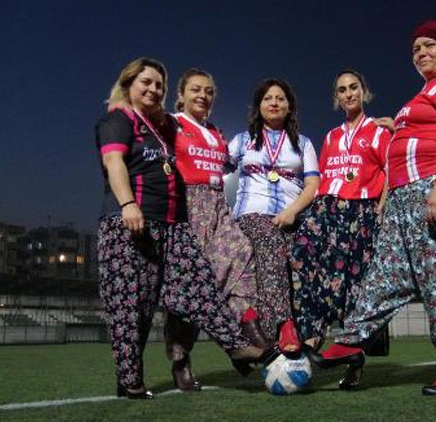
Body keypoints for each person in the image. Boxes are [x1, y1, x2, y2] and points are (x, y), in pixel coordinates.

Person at [309, 20, 436, 396]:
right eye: (415, 49)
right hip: (404, 198)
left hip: (434, 188)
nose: (420, 52)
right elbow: (423, 128)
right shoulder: (425, 92)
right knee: (384, 274)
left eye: (429, 45)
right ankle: (352, 339)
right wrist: (399, 127)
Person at [95, 58, 272, 399]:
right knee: (137, 306)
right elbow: (114, 161)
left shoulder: (171, 129)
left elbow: (241, 156)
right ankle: (143, 375)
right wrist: (128, 203)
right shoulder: (135, 121)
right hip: (146, 217)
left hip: (181, 219)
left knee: (205, 281)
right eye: (146, 82)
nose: (152, 89)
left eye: (157, 84)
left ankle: (239, 340)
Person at [162, 68, 267, 391]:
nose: (203, 95)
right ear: (181, 95)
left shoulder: (216, 133)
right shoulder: (170, 124)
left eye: (208, 91)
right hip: (185, 206)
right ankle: (180, 358)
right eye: (196, 89)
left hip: (217, 204)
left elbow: (244, 158)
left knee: (241, 254)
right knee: (189, 287)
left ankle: (246, 331)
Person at [289, 69, 390, 385]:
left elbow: (391, 171)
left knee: (352, 286)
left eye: (353, 87)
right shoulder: (331, 136)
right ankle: (311, 335)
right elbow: (323, 177)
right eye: (342, 89)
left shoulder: (379, 131)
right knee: (301, 257)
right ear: (337, 97)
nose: (348, 94)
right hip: (326, 209)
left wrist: (381, 209)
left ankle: (353, 358)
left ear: (364, 91)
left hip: (361, 212)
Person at [228, 79, 320, 354]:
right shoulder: (242, 141)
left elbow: (312, 185)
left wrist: (291, 211)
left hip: (294, 216)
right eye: (268, 98)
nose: (274, 103)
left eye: (280, 98)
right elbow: (215, 167)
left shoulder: (303, 143)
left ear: (289, 106)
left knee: (313, 257)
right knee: (270, 242)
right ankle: (283, 324)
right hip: (252, 214)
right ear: (259, 105)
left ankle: (313, 331)